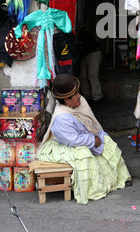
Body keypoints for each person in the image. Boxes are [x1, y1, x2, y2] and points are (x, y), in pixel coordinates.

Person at [33, 74, 131, 204]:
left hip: (82, 137)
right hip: (63, 145)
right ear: (67, 100)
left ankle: (120, 177)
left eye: (78, 92)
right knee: (83, 155)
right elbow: (72, 140)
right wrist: (92, 141)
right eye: (75, 95)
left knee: (106, 140)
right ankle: (91, 189)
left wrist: (96, 137)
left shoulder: (79, 102)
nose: (79, 96)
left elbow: (91, 122)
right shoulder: (62, 118)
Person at [78, 28, 103, 105]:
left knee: (92, 76)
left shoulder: (83, 34)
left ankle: (97, 97)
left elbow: (84, 47)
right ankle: (87, 97)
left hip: (93, 53)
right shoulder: (81, 34)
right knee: (83, 77)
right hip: (85, 55)